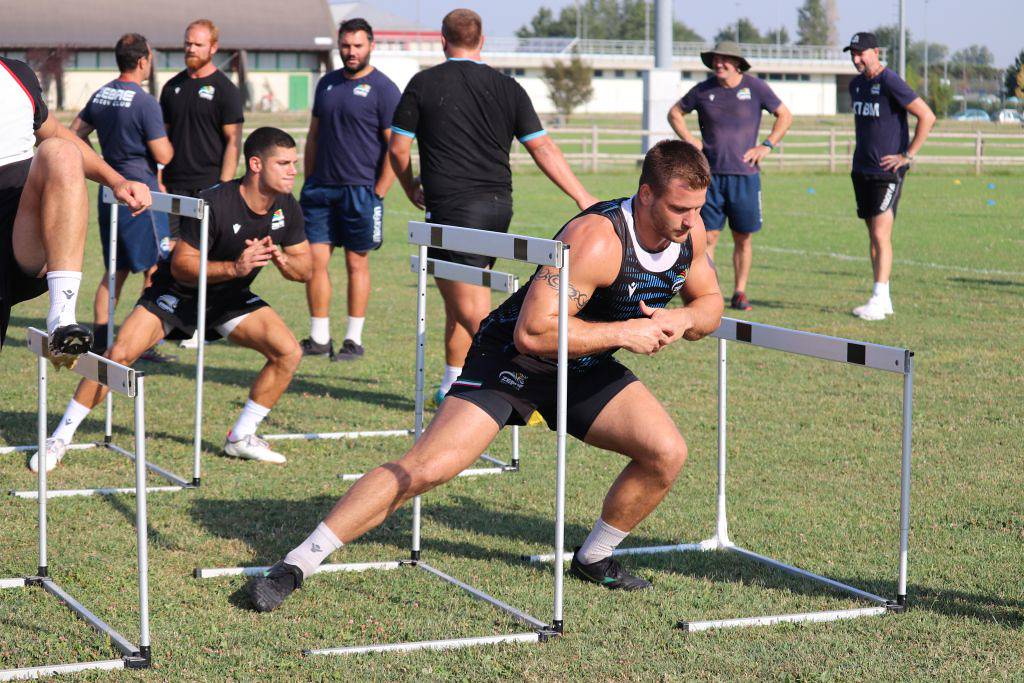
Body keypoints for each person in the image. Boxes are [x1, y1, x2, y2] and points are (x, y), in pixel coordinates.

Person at [245, 139, 724, 612]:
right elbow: (533, 334)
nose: (689, 220)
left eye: (696, 208)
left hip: (583, 364)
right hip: (514, 362)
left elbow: (709, 304)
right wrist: (627, 332)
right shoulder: (596, 239)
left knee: (666, 453)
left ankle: (594, 557)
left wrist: (681, 320)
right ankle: (297, 564)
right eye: (679, 207)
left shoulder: (690, 232)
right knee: (428, 467)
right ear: (645, 195)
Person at [29, 128, 311, 473]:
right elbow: (183, 267)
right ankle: (60, 438)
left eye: (294, 163)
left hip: (228, 298)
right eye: (283, 163)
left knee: (288, 352)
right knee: (119, 355)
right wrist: (236, 267)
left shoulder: (288, 207)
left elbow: (306, 269)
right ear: (255, 164)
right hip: (176, 293)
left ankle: (242, 436)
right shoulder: (215, 203)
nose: (292, 170)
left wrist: (284, 261)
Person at [389, 8, 597, 404]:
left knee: (476, 316)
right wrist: (581, 195)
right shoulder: (509, 88)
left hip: (453, 212)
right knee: (458, 301)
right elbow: (543, 147)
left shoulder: (423, 83)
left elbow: (397, 148)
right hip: (498, 210)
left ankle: (519, 382)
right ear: (482, 41)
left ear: (442, 40)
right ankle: (451, 384)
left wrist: (409, 185)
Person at [1, 56, 151, 367]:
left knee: (61, 151)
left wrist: (116, 180)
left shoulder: (16, 75)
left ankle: (62, 319)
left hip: (18, 233)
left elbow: (58, 132)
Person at [298, 18, 401, 361]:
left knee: (357, 264)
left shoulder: (384, 89)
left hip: (361, 193)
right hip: (320, 191)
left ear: (371, 45)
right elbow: (313, 136)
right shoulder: (326, 84)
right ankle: (319, 337)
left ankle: (353, 340)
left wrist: (380, 192)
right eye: (345, 45)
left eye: (357, 45)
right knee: (314, 263)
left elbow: (395, 147)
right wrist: (309, 178)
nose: (351, 51)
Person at [70, 33, 176, 362]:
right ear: (143, 60)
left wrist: (101, 166)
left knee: (115, 269)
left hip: (109, 192)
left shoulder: (102, 95)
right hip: (140, 195)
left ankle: (101, 340)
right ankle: (140, 342)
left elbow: (74, 134)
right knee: (155, 269)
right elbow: (164, 154)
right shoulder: (144, 102)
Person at [667, 40, 791, 312]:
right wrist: (690, 140)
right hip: (709, 179)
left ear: (737, 63)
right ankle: (708, 292)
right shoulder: (703, 90)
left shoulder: (755, 88)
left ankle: (739, 292)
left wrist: (766, 145)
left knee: (742, 237)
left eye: (724, 60)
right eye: (715, 59)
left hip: (745, 177)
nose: (718, 64)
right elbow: (675, 113)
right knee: (707, 237)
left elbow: (784, 115)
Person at [844, 32, 934, 321]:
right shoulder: (856, 85)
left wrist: (907, 155)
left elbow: (926, 116)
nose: (856, 59)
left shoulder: (890, 80)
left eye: (861, 53)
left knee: (882, 235)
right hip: (862, 170)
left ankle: (878, 297)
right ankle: (883, 298)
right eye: (852, 54)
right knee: (873, 236)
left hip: (887, 173)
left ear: (876, 52)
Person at [159, 19, 244, 242]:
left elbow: (234, 142)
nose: (191, 49)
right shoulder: (171, 87)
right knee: (168, 254)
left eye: (198, 45)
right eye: (188, 44)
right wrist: (158, 178)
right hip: (173, 185)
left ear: (213, 48)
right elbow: (160, 139)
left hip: (208, 186)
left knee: (199, 255)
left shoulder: (226, 91)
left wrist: (223, 187)